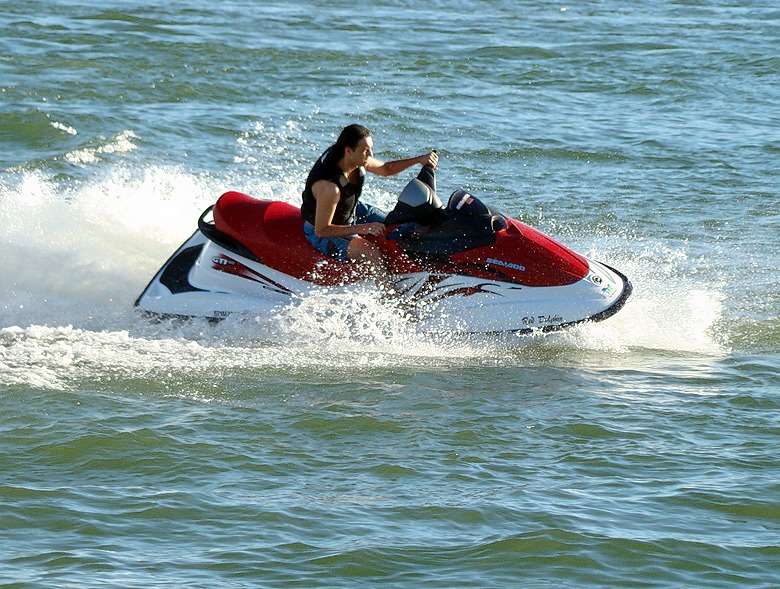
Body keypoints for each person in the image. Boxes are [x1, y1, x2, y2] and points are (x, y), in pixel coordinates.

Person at [301, 124, 438, 273]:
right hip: (320, 230)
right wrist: (363, 228)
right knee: (371, 253)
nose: (371, 154)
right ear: (348, 151)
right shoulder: (330, 188)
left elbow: (386, 169)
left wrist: (419, 160)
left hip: (350, 210)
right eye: (366, 150)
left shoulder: (354, 158)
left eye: (371, 148)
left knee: (394, 224)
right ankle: (387, 293)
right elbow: (322, 230)